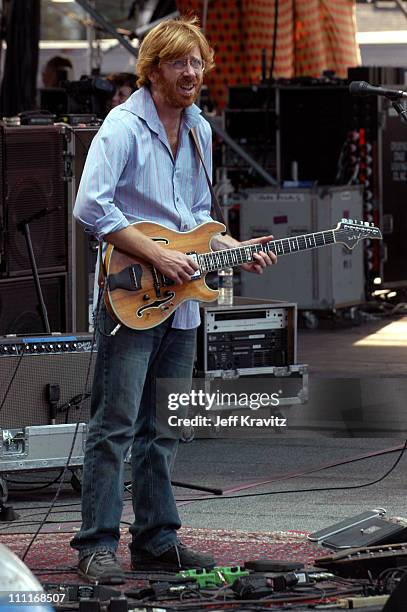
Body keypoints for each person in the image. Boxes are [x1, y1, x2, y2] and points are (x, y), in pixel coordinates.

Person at [70, 15, 277, 585]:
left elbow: (193, 220)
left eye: (197, 63)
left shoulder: (200, 131)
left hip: (181, 302)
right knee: (113, 426)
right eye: (179, 62)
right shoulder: (122, 127)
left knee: (164, 427)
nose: (191, 73)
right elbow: (91, 207)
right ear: (154, 69)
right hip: (131, 296)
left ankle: (157, 540)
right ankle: (95, 544)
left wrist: (233, 248)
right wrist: (157, 256)